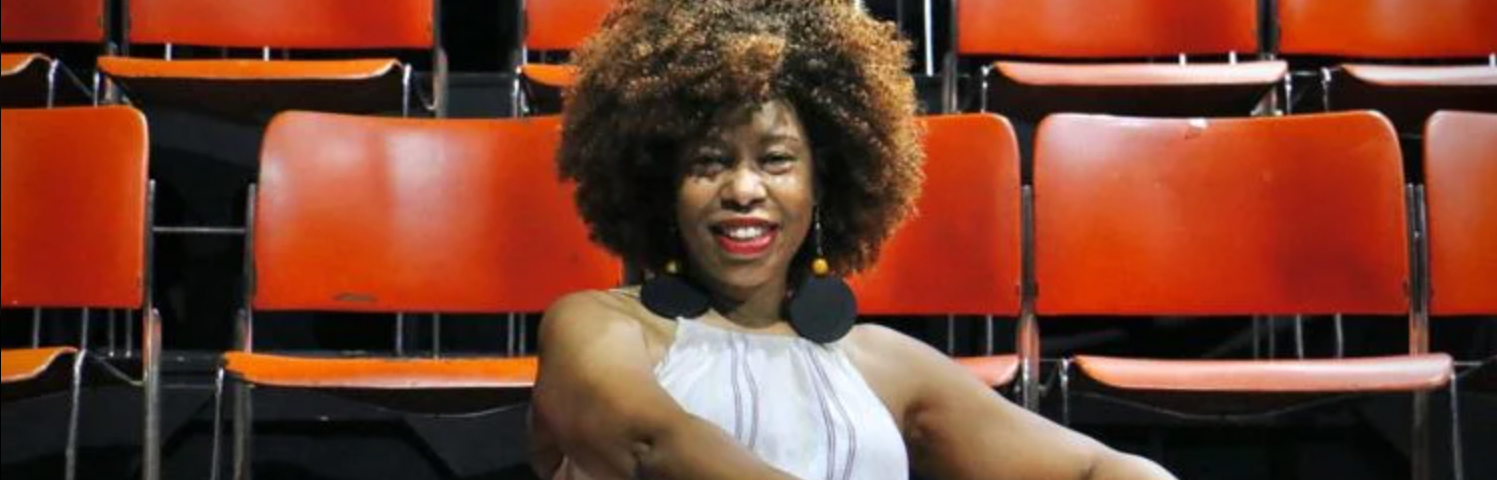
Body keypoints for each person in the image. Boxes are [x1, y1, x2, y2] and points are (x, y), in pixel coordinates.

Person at [529, 1, 1179, 479]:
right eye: (708, 163)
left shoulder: (880, 363)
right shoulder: (595, 325)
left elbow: (1092, 469)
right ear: (660, 188)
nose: (744, 189)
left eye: (776, 160)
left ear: (824, 184)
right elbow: (649, 445)